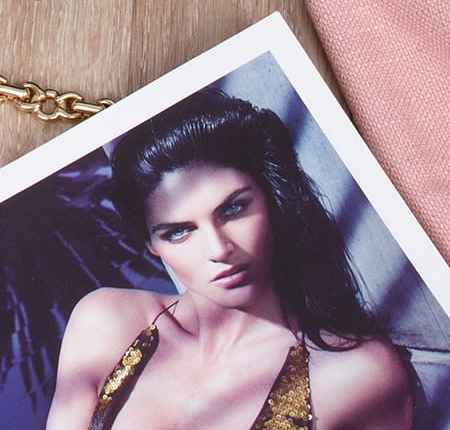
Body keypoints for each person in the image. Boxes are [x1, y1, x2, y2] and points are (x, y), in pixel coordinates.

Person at [47, 92, 414, 430]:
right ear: (151, 243)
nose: (219, 248)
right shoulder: (105, 324)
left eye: (233, 209)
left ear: (273, 199)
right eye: (179, 231)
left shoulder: (352, 374)